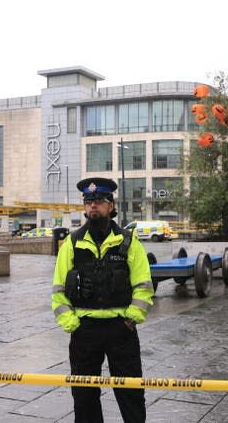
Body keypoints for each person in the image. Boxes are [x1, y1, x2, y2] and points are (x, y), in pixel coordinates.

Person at [51, 177, 154, 423]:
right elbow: (58, 289)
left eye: (98, 201)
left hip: (121, 329)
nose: (92, 206)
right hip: (84, 330)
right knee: (84, 396)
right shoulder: (72, 243)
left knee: (131, 393)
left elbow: (143, 286)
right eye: (88, 202)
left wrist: (131, 320)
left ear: (111, 205)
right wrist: (71, 323)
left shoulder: (128, 242)